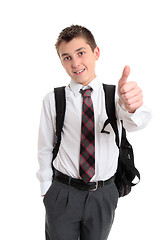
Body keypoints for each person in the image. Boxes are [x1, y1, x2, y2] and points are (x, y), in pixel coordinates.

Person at [37, 25, 151, 240]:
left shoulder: (116, 96)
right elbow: (44, 147)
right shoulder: (53, 99)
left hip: (103, 194)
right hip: (63, 192)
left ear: (95, 53)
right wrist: (46, 190)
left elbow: (135, 122)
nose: (76, 63)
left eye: (81, 53)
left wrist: (133, 106)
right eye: (67, 57)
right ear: (61, 62)